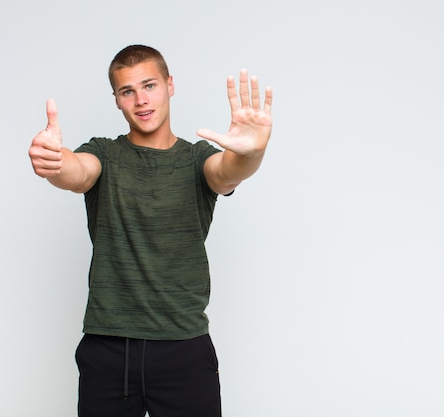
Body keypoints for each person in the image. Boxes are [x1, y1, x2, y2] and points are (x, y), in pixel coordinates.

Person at [28, 44, 273, 417]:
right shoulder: (104, 153)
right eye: (128, 91)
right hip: (108, 349)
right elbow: (78, 172)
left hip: (184, 348)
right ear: (117, 100)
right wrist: (55, 162)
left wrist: (251, 153)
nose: (141, 100)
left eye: (150, 86)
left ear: (169, 85)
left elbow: (225, 174)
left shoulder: (197, 159)